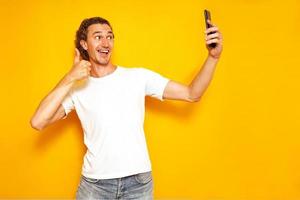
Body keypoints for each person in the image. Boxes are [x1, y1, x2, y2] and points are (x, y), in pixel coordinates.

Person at [30, 16, 223, 200]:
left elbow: (192, 93)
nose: (106, 43)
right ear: (83, 44)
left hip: (138, 183)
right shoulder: (76, 89)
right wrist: (69, 77)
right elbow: (38, 122)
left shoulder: (137, 77)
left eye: (110, 37)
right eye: (98, 37)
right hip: (95, 185)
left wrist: (213, 57)